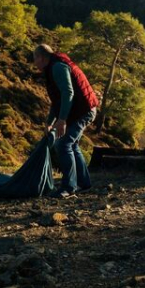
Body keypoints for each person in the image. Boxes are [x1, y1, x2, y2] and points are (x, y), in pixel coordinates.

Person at [33, 44, 99, 198]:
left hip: (85, 110)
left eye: (35, 59)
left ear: (41, 58)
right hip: (80, 110)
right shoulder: (53, 66)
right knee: (72, 144)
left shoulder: (57, 67)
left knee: (63, 144)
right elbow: (57, 100)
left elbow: (67, 93)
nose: (34, 63)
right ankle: (84, 183)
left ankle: (69, 188)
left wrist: (61, 120)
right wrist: (50, 122)